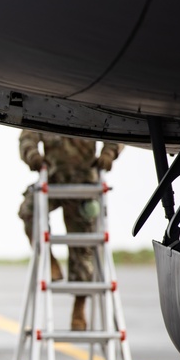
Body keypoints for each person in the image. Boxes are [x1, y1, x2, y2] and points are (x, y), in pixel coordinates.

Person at [17, 131, 122, 330]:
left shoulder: (92, 104)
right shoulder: (45, 106)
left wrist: (109, 153)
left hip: (84, 182)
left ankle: (79, 307)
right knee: (28, 211)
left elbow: (116, 129)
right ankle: (48, 259)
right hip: (54, 177)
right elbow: (27, 136)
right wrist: (32, 155)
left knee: (82, 249)